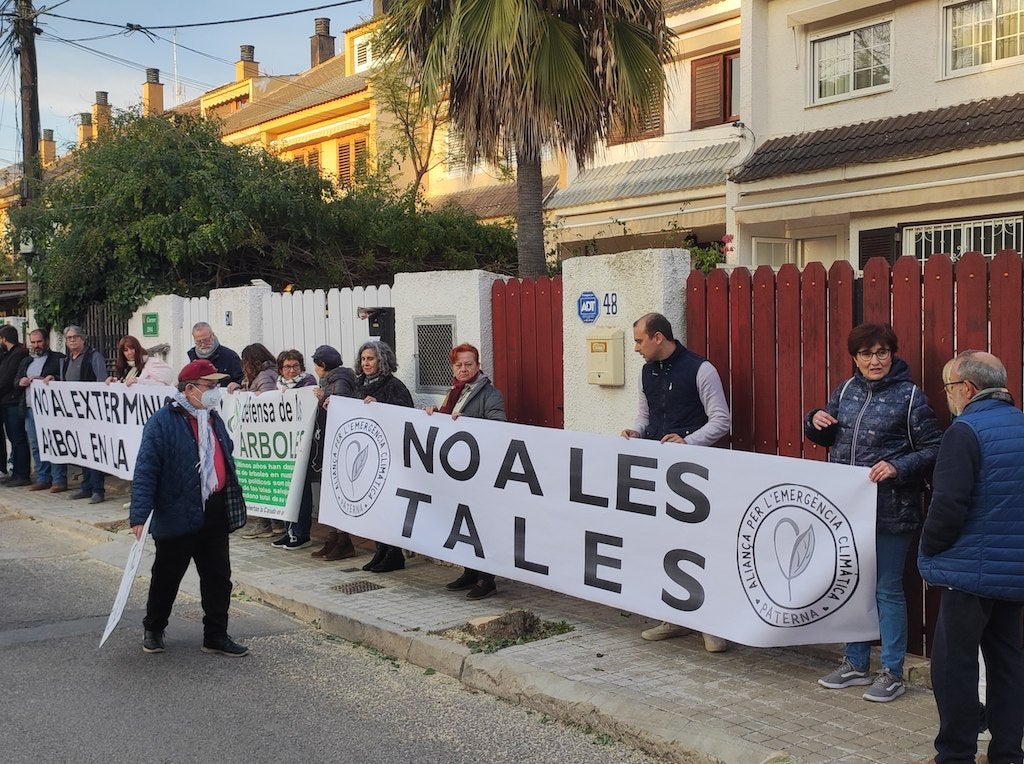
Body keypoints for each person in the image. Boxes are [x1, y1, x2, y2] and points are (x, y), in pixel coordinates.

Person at [807, 322, 942, 702]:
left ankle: (892, 671)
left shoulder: (910, 396)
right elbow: (827, 434)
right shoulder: (846, 390)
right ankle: (855, 664)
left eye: (882, 352)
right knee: (853, 587)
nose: (875, 360)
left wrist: (898, 467)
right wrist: (814, 420)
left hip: (892, 511)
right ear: (855, 358)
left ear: (892, 354)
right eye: (866, 354)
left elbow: (934, 447)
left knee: (886, 590)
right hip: (847, 512)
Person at [912, 351, 1024, 764]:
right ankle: (1008, 754)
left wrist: (930, 551)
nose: (947, 397)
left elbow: (948, 506)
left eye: (948, 388)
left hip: (967, 574)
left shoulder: (965, 431)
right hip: (1014, 572)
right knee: (1008, 662)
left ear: (968, 389)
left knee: (954, 666)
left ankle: (955, 755)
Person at [623, 313, 732, 653]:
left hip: (695, 474)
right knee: (664, 543)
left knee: (697, 547)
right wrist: (636, 431)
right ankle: (674, 617)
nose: (636, 348)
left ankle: (710, 623)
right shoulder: (645, 371)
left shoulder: (701, 369)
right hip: (658, 469)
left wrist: (688, 442)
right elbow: (645, 415)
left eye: (640, 341)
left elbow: (721, 420)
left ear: (658, 338)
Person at [130, 359, 249, 657]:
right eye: (210, 386)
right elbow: (146, 469)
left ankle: (216, 636)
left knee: (218, 578)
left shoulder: (212, 417)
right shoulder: (163, 421)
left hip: (214, 509)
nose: (215, 391)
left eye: (217, 386)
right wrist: (139, 515)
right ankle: (154, 628)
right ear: (191, 388)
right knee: (167, 576)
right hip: (177, 510)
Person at [426, 343, 506, 600]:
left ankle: (487, 579)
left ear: (478, 365)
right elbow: (446, 420)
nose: (463, 368)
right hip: (457, 470)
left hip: (478, 469)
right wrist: (433, 414)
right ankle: (470, 570)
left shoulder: (490, 394)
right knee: (461, 521)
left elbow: (498, 426)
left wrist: (469, 424)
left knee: (481, 523)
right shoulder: (454, 392)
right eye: (459, 364)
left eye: (469, 364)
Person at [275, 345, 357, 553]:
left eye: (296, 366)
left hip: (324, 444)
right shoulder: (326, 381)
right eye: (287, 367)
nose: (291, 370)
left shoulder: (332, 382)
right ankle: (329, 536)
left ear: (321, 365)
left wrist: (321, 399)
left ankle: (337, 539)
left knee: (325, 491)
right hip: (308, 444)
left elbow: (339, 408)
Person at [352, 340, 414, 573]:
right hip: (367, 453)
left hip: (390, 455)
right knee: (374, 506)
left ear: (382, 361)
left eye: (371, 359)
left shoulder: (394, 386)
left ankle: (394, 553)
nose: (366, 363)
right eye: (364, 359)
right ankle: (381, 549)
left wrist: (381, 406)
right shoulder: (359, 384)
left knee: (389, 506)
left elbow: (406, 414)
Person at [238, 343, 285, 540]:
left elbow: (267, 402)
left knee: (263, 480)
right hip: (265, 437)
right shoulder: (266, 373)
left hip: (264, 435)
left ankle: (269, 523)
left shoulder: (265, 376)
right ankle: (272, 524)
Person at [58, 325, 109, 503]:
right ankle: (86, 487)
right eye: (69, 338)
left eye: (75, 337)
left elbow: (102, 382)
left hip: (92, 413)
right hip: (74, 414)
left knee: (94, 451)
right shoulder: (65, 361)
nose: (72, 340)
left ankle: (98, 489)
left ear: (83, 339)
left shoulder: (94, 357)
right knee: (82, 451)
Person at [17, 330, 65, 491]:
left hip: (51, 411)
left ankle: (59, 480)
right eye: (33, 342)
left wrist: (53, 378)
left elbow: (65, 378)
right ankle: (43, 478)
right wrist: (21, 381)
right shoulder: (26, 362)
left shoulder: (58, 358)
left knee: (55, 443)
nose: (36, 345)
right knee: (36, 445)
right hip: (31, 409)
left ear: (46, 341)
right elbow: (15, 380)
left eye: (39, 342)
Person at [0, 325, 31, 487]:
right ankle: (17, 473)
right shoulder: (8, 354)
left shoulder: (18, 354)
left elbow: (6, 378)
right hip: (7, 401)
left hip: (13, 401)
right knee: (14, 437)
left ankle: (22, 474)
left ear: (4, 339)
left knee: (18, 438)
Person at [187, 322, 243, 387]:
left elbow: (242, 378)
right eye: (198, 342)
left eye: (206, 340)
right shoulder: (193, 356)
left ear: (213, 335)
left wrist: (237, 383)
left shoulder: (230, 356)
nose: (203, 344)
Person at [105, 335, 175, 386]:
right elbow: (126, 386)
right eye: (126, 350)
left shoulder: (152, 363)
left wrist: (139, 381)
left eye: (132, 348)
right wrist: (114, 382)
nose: (130, 352)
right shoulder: (127, 367)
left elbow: (163, 385)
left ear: (138, 348)